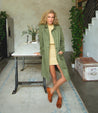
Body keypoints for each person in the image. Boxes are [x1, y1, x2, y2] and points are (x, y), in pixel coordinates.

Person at [36, 9, 70, 108]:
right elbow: (41, 42)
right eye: (49, 17)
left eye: (52, 17)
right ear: (45, 18)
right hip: (48, 53)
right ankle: (59, 97)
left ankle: (51, 90)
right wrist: (41, 52)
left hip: (57, 52)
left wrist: (62, 49)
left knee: (65, 76)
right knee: (54, 77)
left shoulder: (58, 27)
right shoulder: (42, 27)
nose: (50, 19)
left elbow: (62, 40)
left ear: (54, 18)